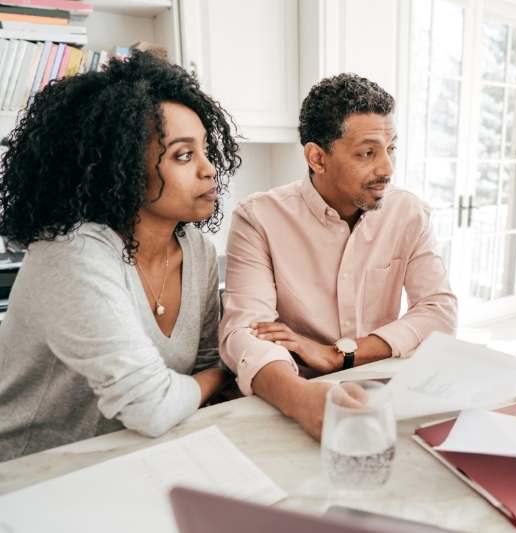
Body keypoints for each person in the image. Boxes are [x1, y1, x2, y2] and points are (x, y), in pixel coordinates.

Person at [0, 50, 241, 461]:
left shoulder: (197, 250)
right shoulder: (72, 254)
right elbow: (154, 405)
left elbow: (201, 362)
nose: (209, 170)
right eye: (184, 155)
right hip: (31, 471)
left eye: (205, 150)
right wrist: (224, 373)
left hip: (127, 456)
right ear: (124, 166)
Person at [219, 73, 457, 439]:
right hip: (293, 396)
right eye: (367, 153)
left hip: (384, 395)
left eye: (390, 149)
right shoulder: (258, 219)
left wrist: (341, 354)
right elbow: (244, 332)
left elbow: (439, 311)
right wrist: (301, 399)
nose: (387, 169)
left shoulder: (408, 213)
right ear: (317, 157)